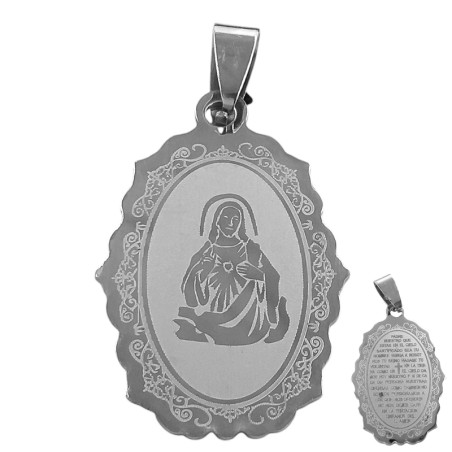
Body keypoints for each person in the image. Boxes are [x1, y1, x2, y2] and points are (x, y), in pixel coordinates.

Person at [174, 199, 289, 346]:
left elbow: (273, 276)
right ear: (217, 221)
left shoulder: (251, 249)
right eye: (226, 218)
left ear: (241, 224)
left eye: (235, 220)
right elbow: (190, 290)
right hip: (214, 308)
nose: (230, 223)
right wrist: (204, 270)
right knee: (204, 322)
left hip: (248, 320)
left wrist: (259, 275)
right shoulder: (207, 250)